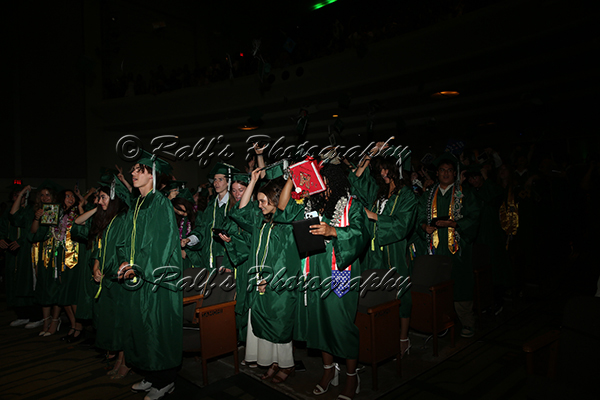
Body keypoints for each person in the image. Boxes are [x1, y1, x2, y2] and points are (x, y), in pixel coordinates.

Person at [276, 162, 369, 400]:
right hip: (314, 271)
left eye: (323, 180)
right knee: (320, 324)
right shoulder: (311, 205)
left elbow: (362, 234)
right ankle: (329, 371)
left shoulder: (352, 205)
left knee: (340, 324)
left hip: (340, 273)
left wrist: (334, 231)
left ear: (333, 182)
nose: (318, 185)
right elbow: (283, 208)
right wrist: (292, 178)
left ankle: (351, 376)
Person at [117, 152, 183, 400]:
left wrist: (139, 267)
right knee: (141, 326)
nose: (133, 173)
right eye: (133, 169)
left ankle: (165, 380)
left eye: (139, 169)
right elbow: (125, 239)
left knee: (157, 327)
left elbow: (162, 246)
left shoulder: (160, 203)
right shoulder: (137, 204)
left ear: (152, 174)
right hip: (138, 277)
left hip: (157, 278)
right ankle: (150, 372)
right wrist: (123, 260)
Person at [230, 169, 301, 383]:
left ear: (275, 200)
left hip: (279, 284)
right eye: (258, 201)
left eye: (263, 201)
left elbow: (286, 258)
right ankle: (272, 363)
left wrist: (269, 279)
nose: (259, 205)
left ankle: (286, 365)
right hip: (259, 283)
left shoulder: (286, 225)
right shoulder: (260, 222)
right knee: (262, 325)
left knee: (279, 325)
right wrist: (252, 181)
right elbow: (241, 211)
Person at [349, 143, 417, 357]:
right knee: (373, 296)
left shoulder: (407, 196)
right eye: (381, 169)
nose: (384, 173)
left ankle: (403, 337)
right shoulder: (377, 191)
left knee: (400, 293)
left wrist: (374, 216)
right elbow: (356, 178)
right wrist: (371, 153)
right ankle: (379, 339)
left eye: (388, 169)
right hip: (372, 252)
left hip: (393, 251)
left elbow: (402, 225)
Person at [416, 153, 480, 338]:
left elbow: (474, 217)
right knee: (437, 286)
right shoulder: (428, 195)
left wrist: (454, 224)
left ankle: (467, 322)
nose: (445, 173)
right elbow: (419, 216)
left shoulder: (464, 194)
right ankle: (441, 324)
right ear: (437, 173)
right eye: (442, 170)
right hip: (435, 249)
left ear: (455, 173)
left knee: (460, 284)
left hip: (457, 249)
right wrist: (424, 227)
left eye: (449, 170)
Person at [73, 176, 131, 377]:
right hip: (107, 279)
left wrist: (109, 271)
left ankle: (125, 361)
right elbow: (99, 249)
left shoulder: (122, 220)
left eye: (103, 197)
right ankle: (118, 359)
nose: (99, 201)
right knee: (112, 322)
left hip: (118, 280)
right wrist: (96, 266)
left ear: (114, 199)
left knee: (121, 322)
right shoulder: (108, 220)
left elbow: (123, 251)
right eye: (98, 197)